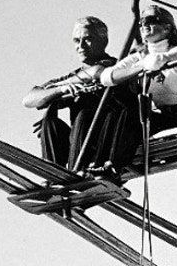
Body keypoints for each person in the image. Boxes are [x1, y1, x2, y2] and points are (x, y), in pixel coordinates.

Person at [79, 4, 177, 176]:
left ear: (167, 27)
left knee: (130, 105)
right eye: (141, 22)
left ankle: (113, 168)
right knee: (120, 104)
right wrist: (137, 66)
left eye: (151, 21)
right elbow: (106, 76)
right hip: (164, 116)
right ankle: (100, 163)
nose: (144, 25)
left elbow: (156, 61)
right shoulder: (140, 56)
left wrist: (132, 70)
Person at [22, 16, 117, 171]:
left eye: (87, 39)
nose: (81, 46)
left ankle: (77, 171)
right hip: (78, 140)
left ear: (103, 41)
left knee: (84, 115)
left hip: (105, 140)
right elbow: (28, 100)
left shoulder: (113, 66)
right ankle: (54, 173)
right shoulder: (72, 76)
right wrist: (60, 90)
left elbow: (95, 73)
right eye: (76, 41)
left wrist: (58, 87)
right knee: (49, 123)